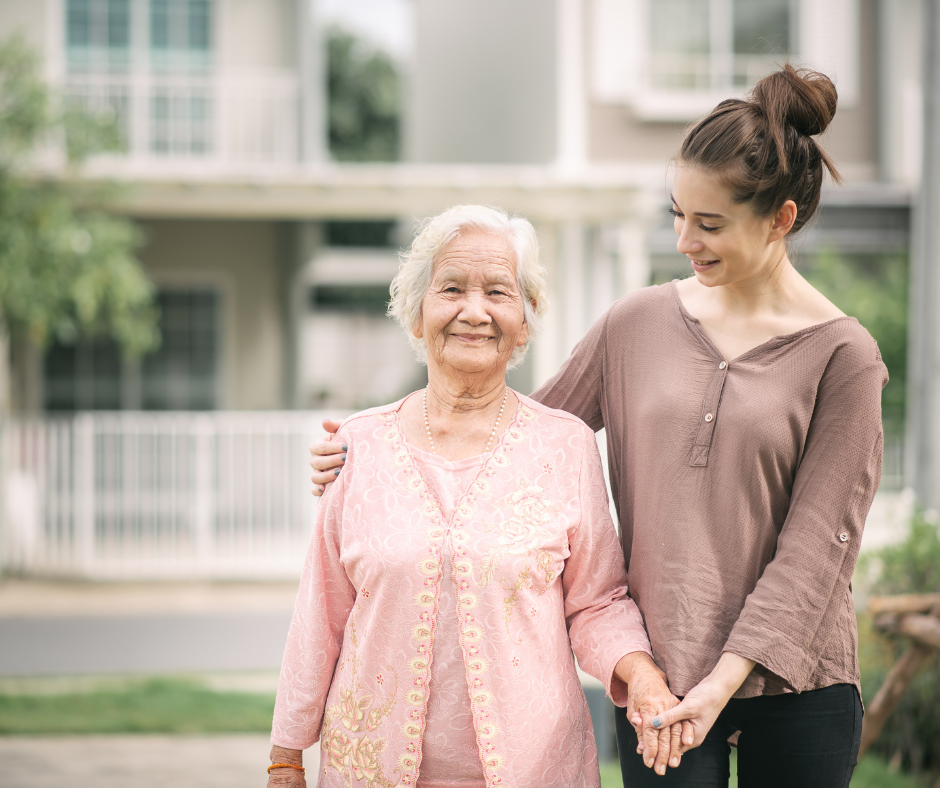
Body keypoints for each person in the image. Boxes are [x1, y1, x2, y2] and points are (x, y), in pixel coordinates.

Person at [309, 65, 887, 788]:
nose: (684, 240)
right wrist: (378, 452)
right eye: (677, 214)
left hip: (798, 682)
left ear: (782, 218)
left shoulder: (844, 357)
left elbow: (814, 555)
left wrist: (719, 689)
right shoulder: (636, 324)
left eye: (708, 224)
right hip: (660, 678)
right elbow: (520, 441)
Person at [268, 204, 686, 788]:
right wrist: (286, 753)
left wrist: (638, 673)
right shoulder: (357, 446)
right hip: (371, 769)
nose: (474, 310)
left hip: (535, 769)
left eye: (498, 291)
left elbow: (596, 601)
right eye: (451, 289)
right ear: (416, 313)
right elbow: (321, 613)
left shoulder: (564, 446)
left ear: (526, 318)